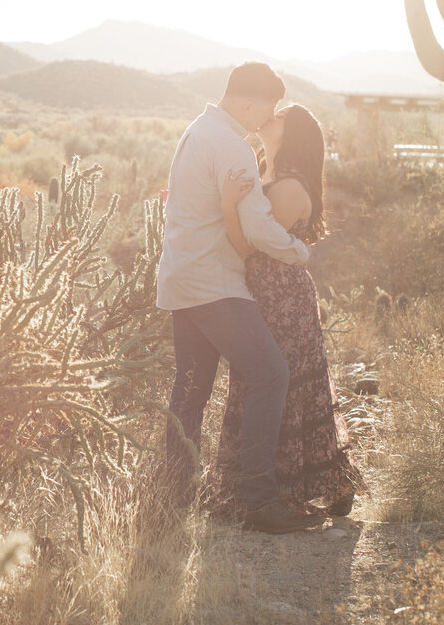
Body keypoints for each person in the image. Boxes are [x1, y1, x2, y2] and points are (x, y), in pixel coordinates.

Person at [156, 62, 324, 534]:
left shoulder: (197, 130)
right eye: (266, 109)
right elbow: (256, 229)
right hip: (216, 284)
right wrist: (296, 249)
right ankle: (258, 500)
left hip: (182, 280)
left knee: (190, 392)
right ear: (249, 102)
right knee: (271, 374)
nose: (264, 119)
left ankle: (172, 495)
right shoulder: (232, 145)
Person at [213, 103, 361, 518]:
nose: (268, 117)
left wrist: (227, 208)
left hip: (282, 298)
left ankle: (311, 486)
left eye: (278, 116)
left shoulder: (290, 188)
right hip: (265, 292)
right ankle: (290, 486)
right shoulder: (269, 178)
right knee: (270, 382)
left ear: (291, 134)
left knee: (283, 385)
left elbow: (250, 246)